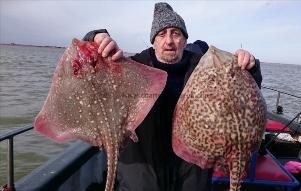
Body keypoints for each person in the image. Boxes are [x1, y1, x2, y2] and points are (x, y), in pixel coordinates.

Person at [83, 2, 262, 191]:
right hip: (143, 174)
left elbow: (243, 98)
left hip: (191, 174)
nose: (169, 40)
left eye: (176, 33)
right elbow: (88, 71)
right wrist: (95, 38)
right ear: (154, 40)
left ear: (185, 41)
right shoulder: (133, 67)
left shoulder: (207, 69)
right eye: (162, 34)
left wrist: (249, 67)